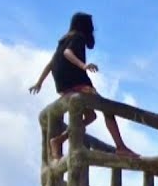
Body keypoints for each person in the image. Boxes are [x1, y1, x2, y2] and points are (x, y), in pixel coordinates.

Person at [29, 12, 136, 159]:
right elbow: (68, 53)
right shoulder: (78, 37)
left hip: (63, 86)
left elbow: (51, 63)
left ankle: (58, 140)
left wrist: (39, 83)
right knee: (107, 108)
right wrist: (83, 66)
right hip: (77, 82)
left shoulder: (64, 39)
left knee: (91, 116)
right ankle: (121, 146)